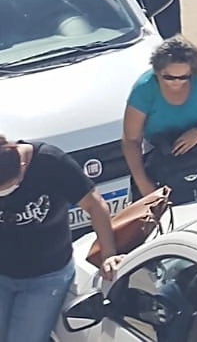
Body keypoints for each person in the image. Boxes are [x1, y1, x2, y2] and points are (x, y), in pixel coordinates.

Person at [0, 136, 119, 342]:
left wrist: (108, 254)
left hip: (45, 276)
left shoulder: (50, 162)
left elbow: (95, 205)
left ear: (21, 166)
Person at [121, 35, 197, 199]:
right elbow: (131, 140)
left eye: (183, 77)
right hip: (157, 152)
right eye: (169, 77)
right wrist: (143, 184)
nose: (176, 82)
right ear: (157, 72)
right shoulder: (144, 89)